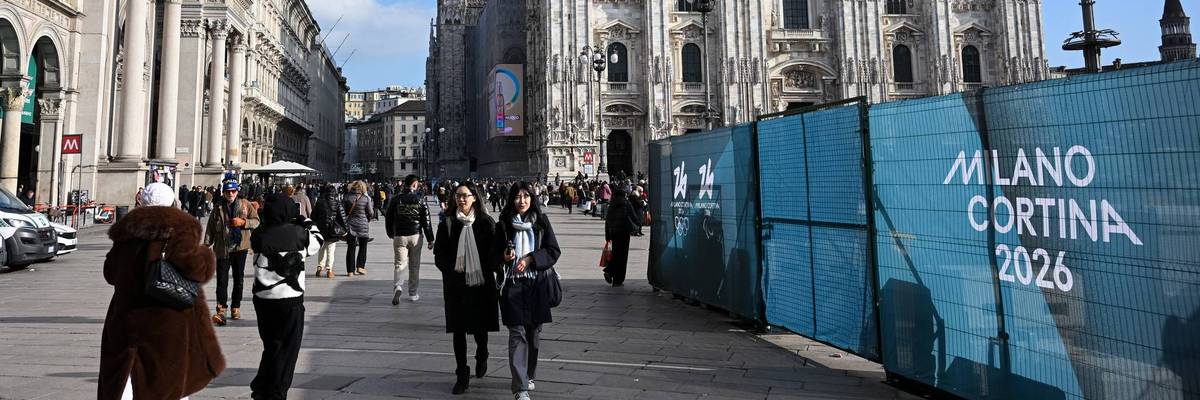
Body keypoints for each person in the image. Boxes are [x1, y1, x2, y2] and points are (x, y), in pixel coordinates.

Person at [99, 183, 225, 399]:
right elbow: (198, 271)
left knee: (127, 377)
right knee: (167, 380)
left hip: (127, 317)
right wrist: (204, 254)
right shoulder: (181, 231)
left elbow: (110, 273)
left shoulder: (126, 234)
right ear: (172, 202)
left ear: (142, 202)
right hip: (168, 319)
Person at [494, 182, 561, 400]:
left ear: (532, 199)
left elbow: (553, 251)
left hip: (536, 285)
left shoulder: (541, 222)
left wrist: (532, 258)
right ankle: (520, 387)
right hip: (512, 286)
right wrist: (504, 258)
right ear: (511, 199)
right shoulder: (503, 225)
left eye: (525, 196)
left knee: (534, 334)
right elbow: (491, 255)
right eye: (517, 197)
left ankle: (529, 374)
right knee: (517, 334)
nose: (521, 201)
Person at [249, 193, 320, 400]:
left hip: (263, 299)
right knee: (288, 348)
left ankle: (262, 386)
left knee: (271, 344)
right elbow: (318, 240)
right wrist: (306, 221)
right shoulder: (298, 234)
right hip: (290, 299)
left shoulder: (259, 234)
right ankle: (277, 391)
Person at [432, 182, 500, 394]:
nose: (461, 199)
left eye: (466, 196)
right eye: (458, 196)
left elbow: (494, 253)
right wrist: (450, 271)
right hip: (456, 285)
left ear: (475, 198)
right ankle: (462, 372)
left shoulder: (486, 223)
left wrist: (496, 263)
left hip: (480, 284)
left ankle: (482, 353)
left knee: (480, 327)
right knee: (458, 330)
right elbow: (439, 254)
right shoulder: (448, 223)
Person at [205, 180, 261, 326]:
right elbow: (210, 227)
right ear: (223, 192)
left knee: (239, 279)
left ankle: (236, 306)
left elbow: (256, 221)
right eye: (228, 191)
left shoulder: (245, 204)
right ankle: (221, 308)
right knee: (222, 280)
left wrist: (243, 223)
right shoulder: (218, 207)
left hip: (240, 248)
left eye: (233, 191)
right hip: (222, 248)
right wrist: (206, 245)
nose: (231, 194)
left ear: (237, 191)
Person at [386, 175, 436, 304]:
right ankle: (413, 293)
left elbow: (389, 218)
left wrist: (390, 232)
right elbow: (427, 221)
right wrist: (431, 239)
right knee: (414, 265)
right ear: (414, 184)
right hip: (415, 236)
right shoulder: (420, 199)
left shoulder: (396, 199)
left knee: (399, 264)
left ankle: (398, 286)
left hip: (400, 236)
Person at [604, 186, 639, 287]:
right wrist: (636, 225)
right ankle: (617, 280)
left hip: (613, 233)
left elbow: (607, 221)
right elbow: (634, 217)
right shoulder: (626, 203)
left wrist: (607, 235)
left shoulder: (612, 205)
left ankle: (611, 272)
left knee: (616, 253)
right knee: (622, 256)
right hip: (623, 233)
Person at [311, 184, 348, 278]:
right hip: (333, 230)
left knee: (321, 249)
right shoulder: (337, 203)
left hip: (321, 229)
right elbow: (342, 217)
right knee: (330, 251)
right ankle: (329, 270)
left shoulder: (319, 202)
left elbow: (313, 216)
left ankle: (319, 268)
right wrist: (346, 229)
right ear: (334, 193)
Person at [343, 180, 376, 276]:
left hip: (350, 225)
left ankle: (350, 270)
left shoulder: (347, 197)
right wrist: (367, 219)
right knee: (363, 246)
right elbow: (371, 213)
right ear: (363, 188)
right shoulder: (365, 198)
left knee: (351, 247)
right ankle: (360, 267)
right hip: (363, 225)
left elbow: (343, 212)